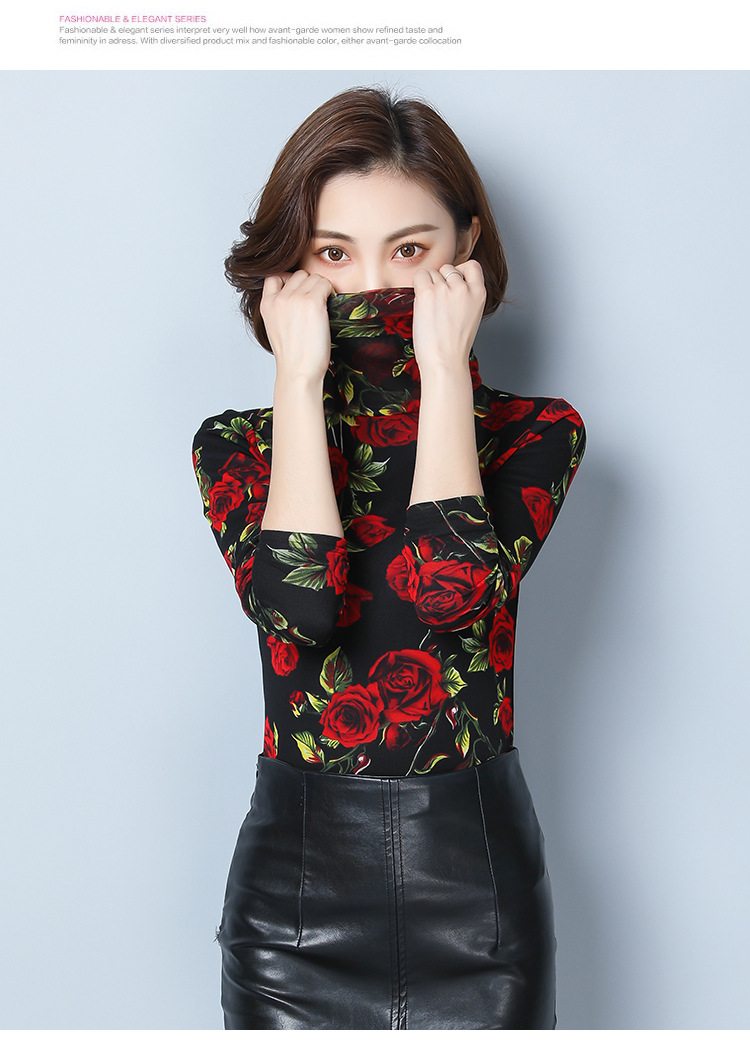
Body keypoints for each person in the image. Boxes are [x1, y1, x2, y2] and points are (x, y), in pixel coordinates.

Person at [192, 86, 586, 1030]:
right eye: (333, 254)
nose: (372, 285)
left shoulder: (537, 433)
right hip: (296, 900)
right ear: (290, 267)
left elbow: (452, 603)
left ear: (466, 247)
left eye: (409, 250)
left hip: (477, 892)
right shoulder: (238, 445)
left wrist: (444, 370)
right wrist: (298, 380)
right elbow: (303, 615)